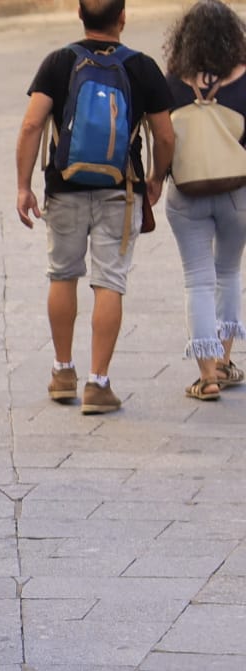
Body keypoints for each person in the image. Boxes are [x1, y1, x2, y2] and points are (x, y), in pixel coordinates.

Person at [15, 0, 175, 414]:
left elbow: (32, 124)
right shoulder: (142, 67)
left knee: (62, 275)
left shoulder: (58, 62)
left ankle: (62, 371)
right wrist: (156, 178)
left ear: (80, 16)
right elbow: (166, 134)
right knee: (109, 283)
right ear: (123, 18)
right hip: (120, 191)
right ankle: (98, 383)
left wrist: (23, 186)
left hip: (63, 188)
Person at [163, 0, 246, 400]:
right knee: (228, 274)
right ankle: (226, 362)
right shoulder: (245, 78)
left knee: (197, 279)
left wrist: (154, 178)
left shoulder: (173, 80)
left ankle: (207, 377)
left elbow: (163, 137)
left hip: (186, 193)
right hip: (238, 192)